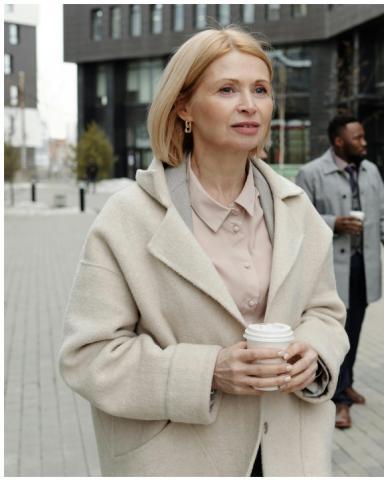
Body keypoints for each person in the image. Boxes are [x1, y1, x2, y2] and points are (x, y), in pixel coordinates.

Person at [58, 27, 349, 476]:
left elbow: (326, 312)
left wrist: (314, 351)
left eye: (261, 90)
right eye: (227, 89)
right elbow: (88, 356)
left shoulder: (297, 209)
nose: (250, 104)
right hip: (178, 458)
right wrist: (209, 371)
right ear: (184, 106)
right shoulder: (128, 218)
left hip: (289, 454)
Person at [295, 115, 384, 430]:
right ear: (339, 141)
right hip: (329, 271)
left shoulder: (370, 171)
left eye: (363, 137)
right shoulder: (311, 173)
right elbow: (298, 219)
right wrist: (334, 223)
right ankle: (337, 398)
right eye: (358, 138)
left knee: (354, 329)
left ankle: (346, 382)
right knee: (334, 331)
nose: (364, 142)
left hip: (364, 267)